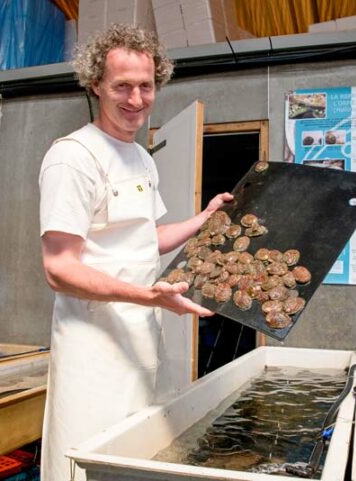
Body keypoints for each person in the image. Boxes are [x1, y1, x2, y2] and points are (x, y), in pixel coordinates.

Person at [38, 24, 232, 481]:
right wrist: (148, 296)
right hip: (93, 347)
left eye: (146, 86)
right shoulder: (73, 157)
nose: (136, 99)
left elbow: (148, 237)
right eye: (122, 86)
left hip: (141, 339)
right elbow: (59, 268)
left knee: (132, 460)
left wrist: (201, 220)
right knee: (84, 461)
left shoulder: (141, 157)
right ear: (96, 86)